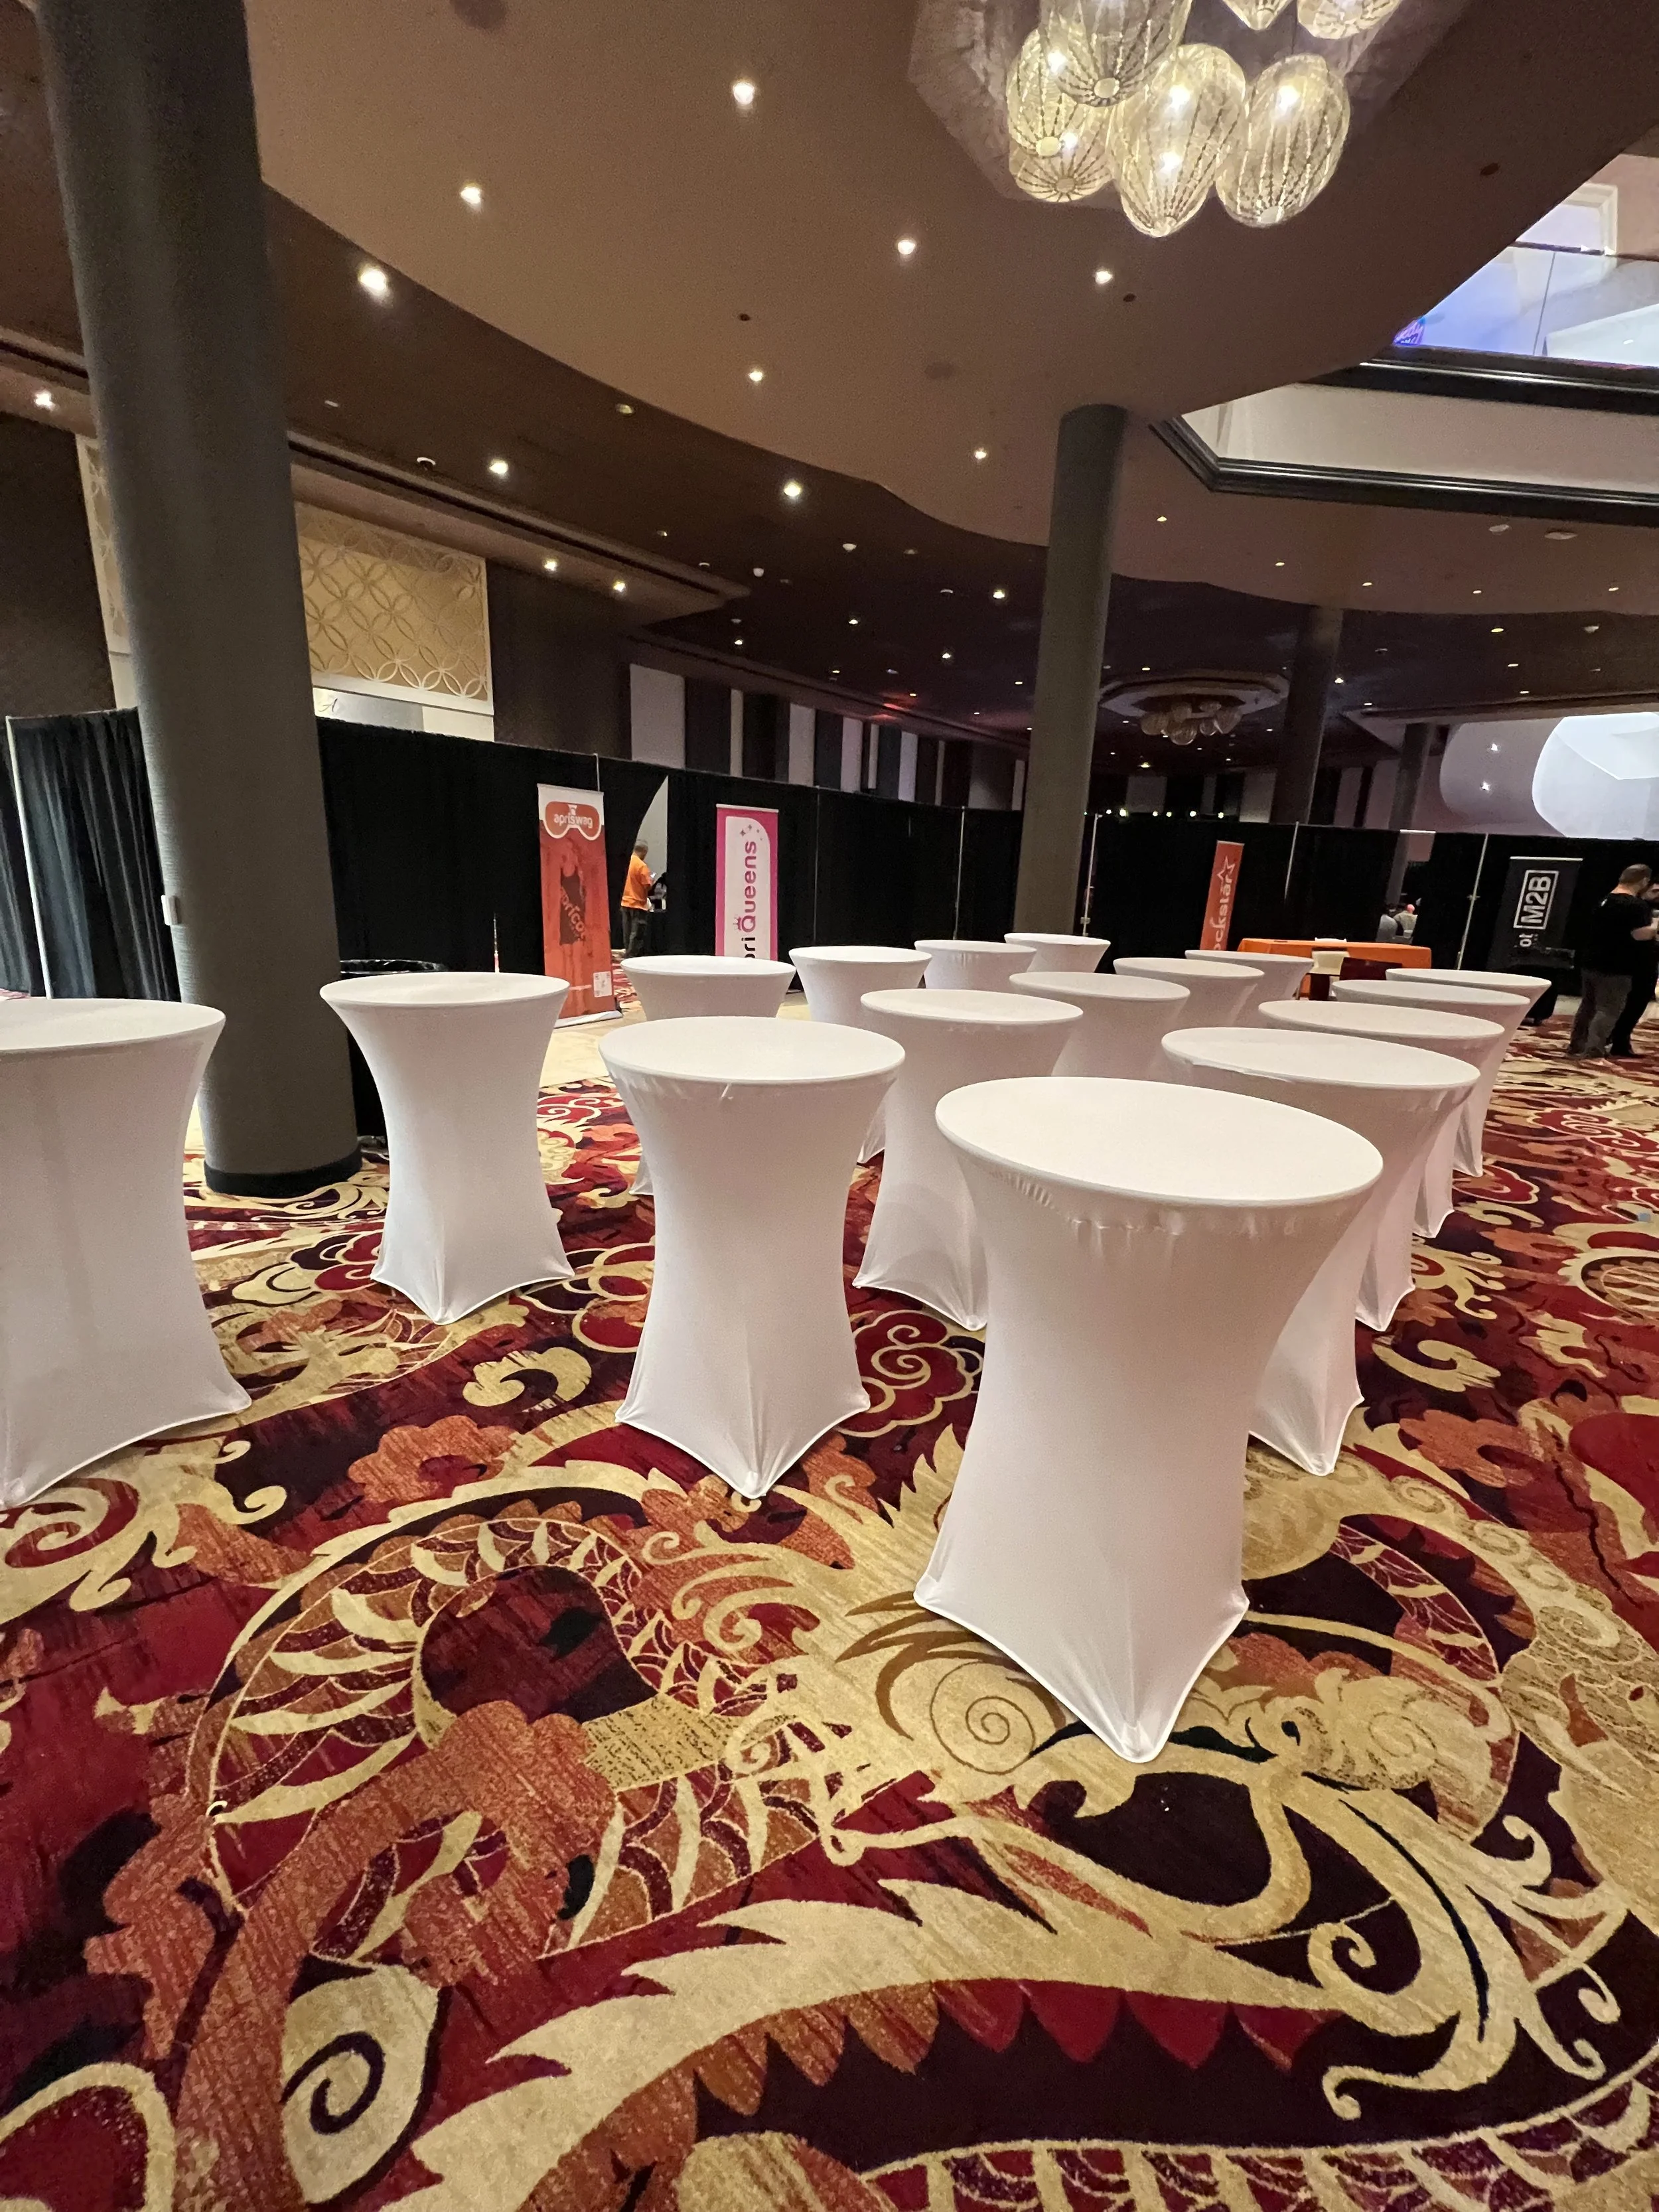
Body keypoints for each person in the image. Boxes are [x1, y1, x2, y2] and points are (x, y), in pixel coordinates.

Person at [1568, 864, 1659, 1058]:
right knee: (1608, 1010)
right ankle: (1594, 1049)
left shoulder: (1604, 900)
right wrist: (1655, 926)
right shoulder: (1635, 905)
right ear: (1643, 881)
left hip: (1592, 962)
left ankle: (1577, 1044)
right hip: (1616, 966)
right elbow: (1639, 935)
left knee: (1588, 1006)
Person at [1608, 877, 1659, 1058]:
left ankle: (1620, 1038)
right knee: (1621, 1004)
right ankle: (1614, 1038)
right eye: (1655, 891)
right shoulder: (1636, 907)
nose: (1657, 896)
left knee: (1638, 1003)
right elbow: (1638, 935)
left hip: (1648, 961)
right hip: (1630, 962)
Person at [622, 842, 654, 958]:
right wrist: (651, 881)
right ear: (643, 852)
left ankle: (627, 953)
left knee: (627, 930)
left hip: (625, 901)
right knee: (636, 932)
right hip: (638, 903)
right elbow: (647, 885)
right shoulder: (641, 866)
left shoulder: (627, 862)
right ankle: (631, 955)